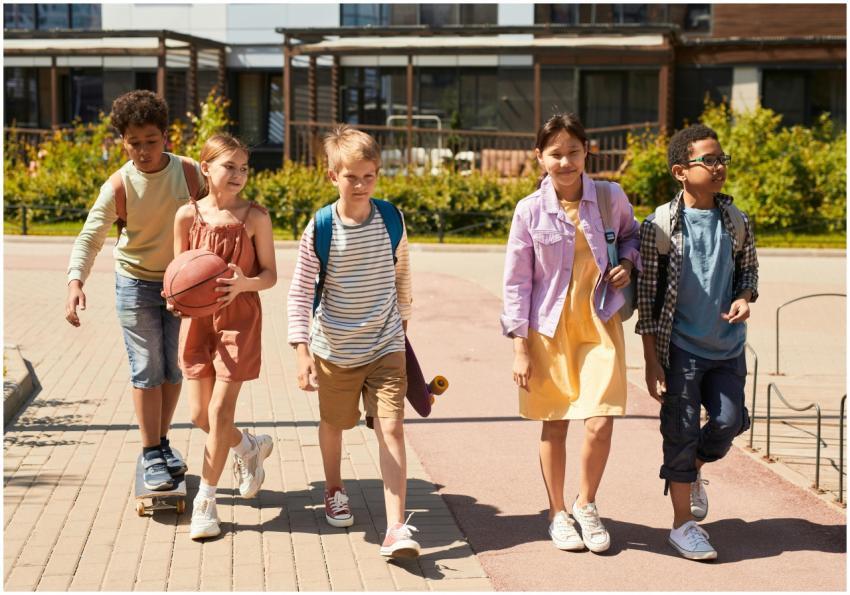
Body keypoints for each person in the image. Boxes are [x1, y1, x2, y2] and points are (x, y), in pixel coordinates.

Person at [501, 113, 640, 553]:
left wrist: (627, 264)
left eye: (573, 152)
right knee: (556, 424)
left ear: (587, 151)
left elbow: (633, 236)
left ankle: (586, 503)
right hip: (547, 331)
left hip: (600, 322)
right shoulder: (529, 210)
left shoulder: (609, 197)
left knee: (601, 420)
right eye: (555, 154)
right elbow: (516, 283)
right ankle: (557, 513)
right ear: (539, 157)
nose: (565, 162)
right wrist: (520, 348)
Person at [286, 125, 420, 558]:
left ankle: (396, 527)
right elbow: (300, 291)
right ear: (333, 176)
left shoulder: (391, 218)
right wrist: (301, 350)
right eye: (351, 177)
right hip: (335, 350)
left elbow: (401, 273)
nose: (361, 185)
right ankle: (334, 488)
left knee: (391, 427)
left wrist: (402, 328)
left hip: (386, 344)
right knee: (335, 424)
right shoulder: (321, 227)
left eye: (369, 176)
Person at [65, 90, 203, 492]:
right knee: (146, 366)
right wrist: (75, 281)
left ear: (166, 137)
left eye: (151, 141)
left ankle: (162, 442)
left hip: (181, 285)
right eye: (134, 143)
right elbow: (91, 236)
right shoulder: (119, 185)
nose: (143, 151)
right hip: (135, 283)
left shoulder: (190, 173)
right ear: (123, 142)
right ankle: (150, 452)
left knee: (172, 368)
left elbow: (216, 216)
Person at [636, 124, 758, 561]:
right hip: (681, 349)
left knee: (729, 421)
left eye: (722, 158)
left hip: (727, 348)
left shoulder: (737, 220)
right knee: (680, 431)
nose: (719, 166)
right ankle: (682, 525)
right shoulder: (659, 226)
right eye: (709, 160)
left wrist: (744, 297)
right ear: (680, 172)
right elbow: (647, 300)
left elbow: (748, 272)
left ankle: (694, 470)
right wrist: (651, 362)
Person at [171, 134, 277, 540]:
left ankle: (206, 501)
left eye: (243, 168)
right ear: (205, 168)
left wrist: (243, 283)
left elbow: (270, 275)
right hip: (197, 322)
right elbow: (178, 272)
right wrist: (175, 298)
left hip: (239, 320)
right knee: (201, 416)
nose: (237, 174)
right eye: (228, 166)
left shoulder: (255, 217)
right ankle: (248, 446)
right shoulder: (187, 216)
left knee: (218, 412)